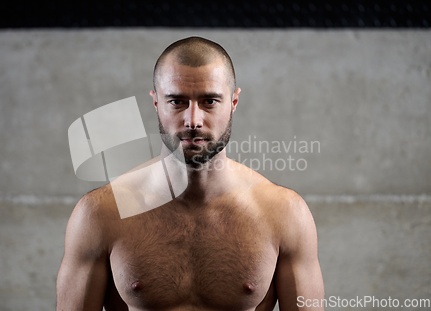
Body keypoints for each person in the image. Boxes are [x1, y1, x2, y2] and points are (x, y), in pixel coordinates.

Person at [56, 37, 324, 311]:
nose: (193, 120)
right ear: (156, 103)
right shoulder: (100, 214)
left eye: (209, 101)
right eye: (177, 101)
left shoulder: (285, 214)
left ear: (233, 102)